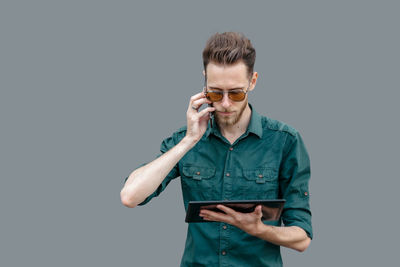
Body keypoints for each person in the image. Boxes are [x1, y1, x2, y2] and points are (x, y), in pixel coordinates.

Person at [120, 32, 312, 267]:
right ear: (204, 82)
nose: (225, 103)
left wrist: (259, 229)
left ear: (252, 81)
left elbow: (302, 238)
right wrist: (189, 140)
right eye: (214, 93)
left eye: (236, 93)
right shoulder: (186, 139)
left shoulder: (285, 141)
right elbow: (130, 196)